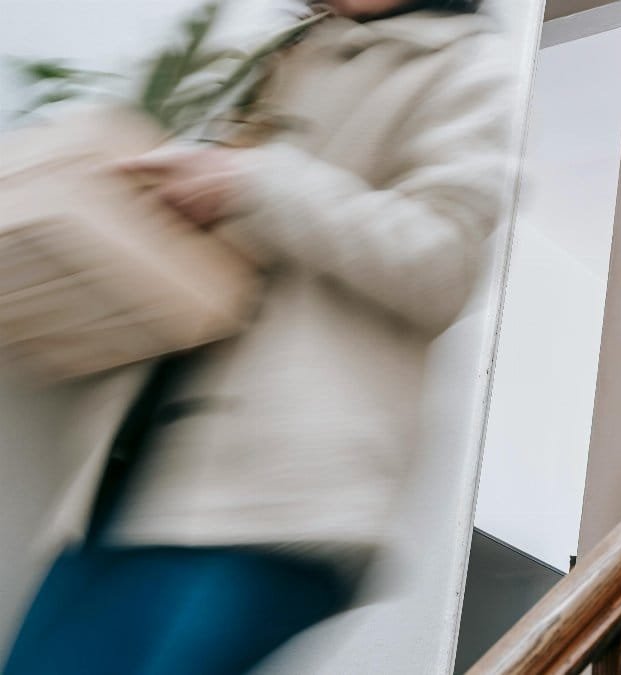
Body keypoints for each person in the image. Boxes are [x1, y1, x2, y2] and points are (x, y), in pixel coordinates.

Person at [3, 1, 510, 673]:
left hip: (271, 504)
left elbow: (442, 261)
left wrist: (251, 183)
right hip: (132, 481)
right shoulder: (282, 49)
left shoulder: (465, 65)